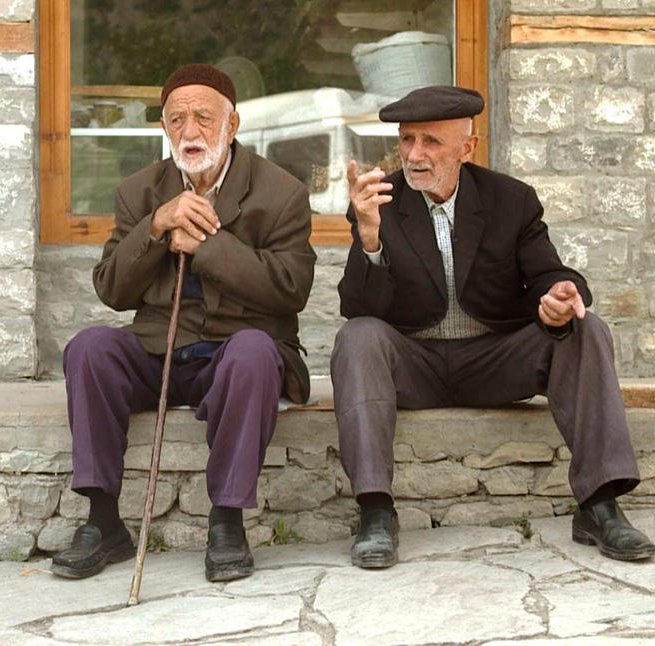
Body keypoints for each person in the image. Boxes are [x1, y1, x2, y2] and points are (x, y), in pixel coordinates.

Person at [333, 85, 653, 568]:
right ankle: (376, 512)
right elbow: (358, 307)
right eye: (407, 140)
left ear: (468, 146)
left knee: (587, 327)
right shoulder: (379, 203)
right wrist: (370, 237)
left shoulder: (511, 200)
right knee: (357, 337)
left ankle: (599, 505)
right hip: (413, 364)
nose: (414, 155)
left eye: (431, 142)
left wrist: (559, 296)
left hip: (494, 359)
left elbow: (549, 273)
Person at [53, 64, 316, 582]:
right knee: (89, 349)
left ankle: (227, 521)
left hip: (232, 354)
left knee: (254, 353)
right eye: (176, 119)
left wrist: (208, 248)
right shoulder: (139, 192)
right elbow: (111, 289)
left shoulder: (280, 192)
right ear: (164, 128)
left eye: (203, 118)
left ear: (232, 124)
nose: (189, 131)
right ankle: (103, 520)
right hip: (160, 351)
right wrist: (156, 226)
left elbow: (292, 288)